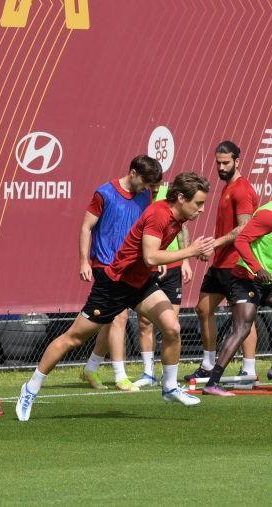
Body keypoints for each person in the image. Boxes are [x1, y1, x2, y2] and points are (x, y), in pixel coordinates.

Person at [16, 173, 216, 421]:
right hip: (115, 285)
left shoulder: (178, 218)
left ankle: (169, 387)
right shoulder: (159, 214)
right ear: (181, 198)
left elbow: (152, 258)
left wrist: (193, 253)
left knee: (172, 328)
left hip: (142, 283)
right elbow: (151, 257)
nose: (202, 209)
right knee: (73, 339)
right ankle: (31, 388)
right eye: (198, 203)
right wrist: (191, 252)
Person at [202, 171, 272, 396]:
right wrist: (256, 267)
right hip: (245, 279)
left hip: (268, 282)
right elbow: (242, 240)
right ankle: (212, 382)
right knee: (242, 328)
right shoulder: (268, 214)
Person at [77, 156, 162, 391]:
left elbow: (148, 230)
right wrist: (84, 261)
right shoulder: (104, 193)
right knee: (120, 317)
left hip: (131, 267)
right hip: (105, 264)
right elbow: (86, 227)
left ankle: (91, 369)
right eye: (144, 181)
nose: (147, 188)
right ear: (133, 172)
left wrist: (156, 255)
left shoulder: (146, 195)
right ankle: (120, 376)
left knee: (108, 319)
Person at [187, 141, 259, 382]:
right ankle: (208, 364)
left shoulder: (242, 189)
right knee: (203, 309)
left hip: (238, 264)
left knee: (243, 318)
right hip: (220, 263)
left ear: (238, 161)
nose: (221, 167)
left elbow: (245, 227)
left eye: (226, 162)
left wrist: (214, 244)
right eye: (218, 163)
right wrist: (213, 248)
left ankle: (249, 369)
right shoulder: (227, 188)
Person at [133, 179, 193, 388]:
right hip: (149, 266)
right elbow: (148, 247)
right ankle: (148, 372)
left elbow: (182, 229)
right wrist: (156, 258)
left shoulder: (174, 196)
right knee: (144, 323)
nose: (154, 185)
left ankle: (169, 379)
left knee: (172, 326)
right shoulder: (141, 196)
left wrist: (185, 260)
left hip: (173, 265)